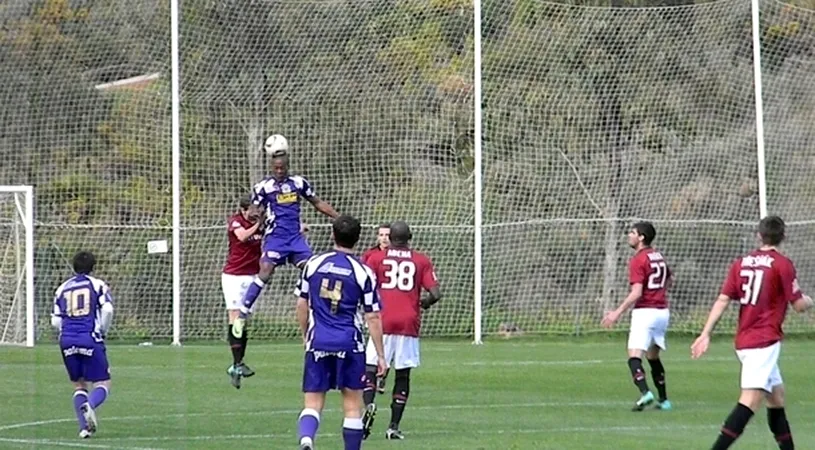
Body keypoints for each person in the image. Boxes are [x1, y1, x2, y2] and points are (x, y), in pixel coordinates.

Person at [691, 215, 813, 450]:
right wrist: (809, 300)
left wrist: (705, 333)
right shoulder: (782, 264)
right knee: (749, 401)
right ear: (783, 236)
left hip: (746, 339)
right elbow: (798, 305)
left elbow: (723, 299)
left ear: (759, 235)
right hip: (764, 341)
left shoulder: (741, 263)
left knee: (776, 398)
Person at [232, 147, 339, 353]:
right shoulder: (263, 187)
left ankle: (334, 314)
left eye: (282, 167)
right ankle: (242, 314)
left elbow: (317, 203)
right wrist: (259, 214)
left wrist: (338, 217)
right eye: (276, 168)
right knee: (265, 270)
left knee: (316, 270)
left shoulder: (298, 183)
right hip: (275, 239)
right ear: (271, 167)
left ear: (287, 166)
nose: (279, 171)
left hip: (295, 239)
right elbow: (253, 210)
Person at [294, 214, 386, 450]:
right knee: (353, 405)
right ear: (357, 239)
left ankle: (306, 440)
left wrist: (306, 335)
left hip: (318, 341)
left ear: (332, 234)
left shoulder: (313, 264)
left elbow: (302, 305)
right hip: (349, 343)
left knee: (313, 403)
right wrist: (381, 356)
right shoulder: (363, 272)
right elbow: (372, 316)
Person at [361, 221, 441, 440]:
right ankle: (393, 427)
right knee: (403, 375)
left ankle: (368, 406)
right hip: (408, 322)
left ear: (390, 238)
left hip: (382, 320)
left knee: (370, 368)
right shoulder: (421, 260)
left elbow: (364, 285)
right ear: (410, 237)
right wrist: (422, 303)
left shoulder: (376, 258)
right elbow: (435, 294)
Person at [601, 222, 673, 411]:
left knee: (634, 356)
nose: (628, 235)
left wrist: (616, 313)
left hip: (646, 312)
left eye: (632, 232)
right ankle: (664, 400)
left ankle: (645, 393)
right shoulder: (659, 256)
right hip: (662, 312)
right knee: (653, 356)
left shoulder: (638, 260)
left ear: (641, 237)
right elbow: (669, 279)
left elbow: (637, 292)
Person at [51, 251, 114, 438]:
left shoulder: (62, 288)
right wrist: (103, 330)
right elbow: (108, 309)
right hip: (89, 337)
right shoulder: (97, 284)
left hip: (67, 340)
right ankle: (90, 406)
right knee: (103, 382)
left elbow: (55, 321)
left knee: (79, 385)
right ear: (93, 267)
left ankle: (84, 429)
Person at [222, 198, 263, 388]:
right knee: (235, 316)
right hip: (234, 276)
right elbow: (242, 236)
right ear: (243, 210)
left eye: (258, 209)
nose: (256, 213)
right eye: (253, 210)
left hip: (252, 276)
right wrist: (259, 224)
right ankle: (238, 363)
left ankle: (237, 364)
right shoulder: (236, 221)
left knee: (243, 320)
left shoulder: (260, 224)